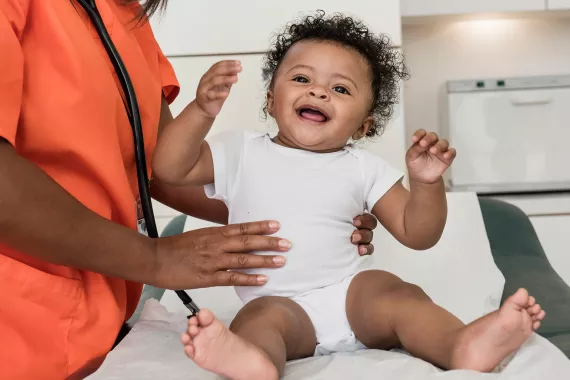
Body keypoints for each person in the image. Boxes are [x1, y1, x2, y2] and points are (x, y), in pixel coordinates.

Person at [152, 12, 547, 380]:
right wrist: (200, 111)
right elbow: (170, 169)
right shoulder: (240, 151)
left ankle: (459, 345)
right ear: (271, 100)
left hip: (350, 295)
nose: (320, 92)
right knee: (256, 321)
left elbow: (417, 233)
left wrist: (426, 183)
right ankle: (255, 362)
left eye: (340, 88)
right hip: (281, 304)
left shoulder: (363, 167)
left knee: (397, 293)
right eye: (302, 80)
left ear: (363, 125)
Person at [0, 2, 378, 379]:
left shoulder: (126, 16)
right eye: (300, 79)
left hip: (98, 335)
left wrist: (313, 218)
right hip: (17, 333)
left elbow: (160, 166)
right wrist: (155, 260)